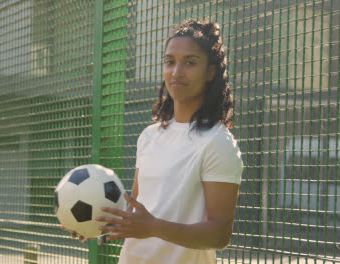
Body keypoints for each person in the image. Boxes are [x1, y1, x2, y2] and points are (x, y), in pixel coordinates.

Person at [93, 20, 244, 263]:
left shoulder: (218, 143)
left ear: (210, 73)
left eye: (190, 62)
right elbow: (135, 210)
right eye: (170, 61)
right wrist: (91, 223)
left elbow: (218, 235)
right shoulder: (149, 136)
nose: (176, 72)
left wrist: (153, 227)